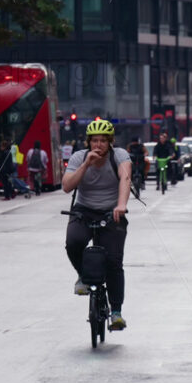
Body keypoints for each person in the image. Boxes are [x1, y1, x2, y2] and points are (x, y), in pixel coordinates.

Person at [62, 119, 131, 331]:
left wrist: (121, 205)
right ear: (88, 142)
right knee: (73, 242)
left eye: (103, 141)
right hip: (84, 209)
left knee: (113, 261)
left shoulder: (119, 156)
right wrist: (86, 165)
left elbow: (125, 178)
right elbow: (66, 186)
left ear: (110, 142)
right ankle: (82, 276)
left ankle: (116, 312)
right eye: (94, 141)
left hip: (112, 211)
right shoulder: (78, 158)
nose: (98, 145)